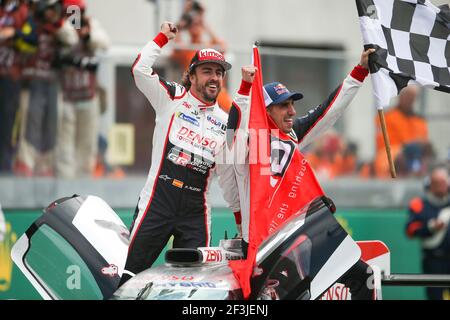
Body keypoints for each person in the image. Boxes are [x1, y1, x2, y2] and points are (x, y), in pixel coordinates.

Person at [226, 48, 377, 299]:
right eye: (283, 106)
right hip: (261, 245)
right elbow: (231, 132)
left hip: (295, 236)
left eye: (292, 104)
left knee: (365, 277)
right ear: (265, 112)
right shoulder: (246, 142)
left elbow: (328, 112)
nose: (292, 111)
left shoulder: (292, 134)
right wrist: (244, 88)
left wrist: (359, 71)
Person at [119, 21, 255, 286]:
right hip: (158, 200)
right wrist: (161, 38)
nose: (214, 77)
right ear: (191, 75)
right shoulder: (172, 98)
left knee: (193, 286)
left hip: (196, 210)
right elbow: (140, 70)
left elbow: (229, 176)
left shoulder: (225, 121)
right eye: (206, 71)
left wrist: (240, 219)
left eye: (219, 72)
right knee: (130, 279)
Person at [13, 0, 77, 177]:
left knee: (51, 125)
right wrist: (35, 26)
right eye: (47, 9)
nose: (50, 13)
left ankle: (44, 165)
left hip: (52, 83)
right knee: (29, 122)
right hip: (32, 82)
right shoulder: (31, 23)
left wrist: (56, 26)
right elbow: (22, 41)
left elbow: (72, 40)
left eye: (53, 9)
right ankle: (26, 163)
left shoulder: (61, 27)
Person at [55, 0, 109, 178]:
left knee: (87, 144)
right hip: (67, 95)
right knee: (65, 143)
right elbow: (67, 37)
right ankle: (65, 181)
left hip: (88, 95)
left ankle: (84, 181)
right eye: (71, 12)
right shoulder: (60, 26)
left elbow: (104, 42)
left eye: (77, 12)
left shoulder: (92, 25)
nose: (74, 15)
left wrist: (87, 36)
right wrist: (76, 30)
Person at [171, 0, 233, 112]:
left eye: (198, 25)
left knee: (230, 112)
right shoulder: (186, 49)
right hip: (196, 91)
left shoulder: (209, 46)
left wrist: (202, 21)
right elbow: (176, 49)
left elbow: (223, 47)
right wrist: (184, 19)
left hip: (215, 92)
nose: (195, 27)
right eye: (193, 25)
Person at [405, 166, 450, 300]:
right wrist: (431, 227)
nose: (442, 187)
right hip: (433, 259)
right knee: (435, 294)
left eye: (444, 183)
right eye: (438, 183)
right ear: (431, 184)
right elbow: (410, 230)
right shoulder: (419, 204)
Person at [374, 85, 431, 178]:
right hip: (392, 161)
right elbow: (383, 146)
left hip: (417, 162)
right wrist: (408, 146)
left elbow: (425, 144)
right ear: (401, 96)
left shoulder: (420, 121)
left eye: (412, 97)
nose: (409, 100)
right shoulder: (386, 118)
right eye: (407, 96)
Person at [0, 0, 28, 173]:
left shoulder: (23, 11)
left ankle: (6, 166)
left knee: (9, 124)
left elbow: (31, 37)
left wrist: (14, 33)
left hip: (12, 77)